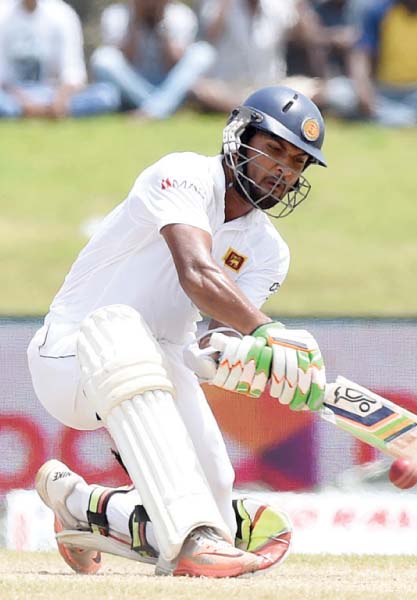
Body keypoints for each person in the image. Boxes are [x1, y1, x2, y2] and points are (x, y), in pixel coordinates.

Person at [28, 85, 328, 577]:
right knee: (124, 327)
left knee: (210, 518)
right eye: (273, 149)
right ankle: (185, 536)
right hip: (72, 353)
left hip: (159, 363)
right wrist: (268, 332)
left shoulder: (270, 252)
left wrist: (248, 358)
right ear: (238, 136)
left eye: (297, 162)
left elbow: (209, 342)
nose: (283, 170)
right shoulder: (182, 175)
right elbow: (197, 274)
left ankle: (80, 504)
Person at [324, 0, 417, 127]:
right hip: (382, 91)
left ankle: (384, 119)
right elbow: (361, 54)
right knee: (338, 93)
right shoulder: (378, 8)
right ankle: (405, 118)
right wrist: (364, 92)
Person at [192, 0, 325, 114]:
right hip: (228, 87)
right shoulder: (222, 4)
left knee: (316, 89)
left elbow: (308, 37)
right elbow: (209, 36)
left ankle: (251, 109)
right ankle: (263, 109)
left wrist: (300, 6)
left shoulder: (279, 5)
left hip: (270, 88)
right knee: (200, 89)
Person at [90, 0, 215, 119]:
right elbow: (129, 59)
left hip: (169, 83)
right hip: (133, 84)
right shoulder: (115, 14)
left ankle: (153, 110)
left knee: (203, 52)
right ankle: (160, 109)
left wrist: (161, 22)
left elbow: (173, 63)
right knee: (103, 58)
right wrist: (136, 20)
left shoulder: (181, 14)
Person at [0, 0, 120, 118]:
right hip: (13, 95)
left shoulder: (62, 13)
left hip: (52, 93)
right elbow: (2, 77)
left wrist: (59, 101)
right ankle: (29, 112)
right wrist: (26, 103)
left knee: (107, 95)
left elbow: (73, 73)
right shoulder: (3, 12)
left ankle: (38, 112)